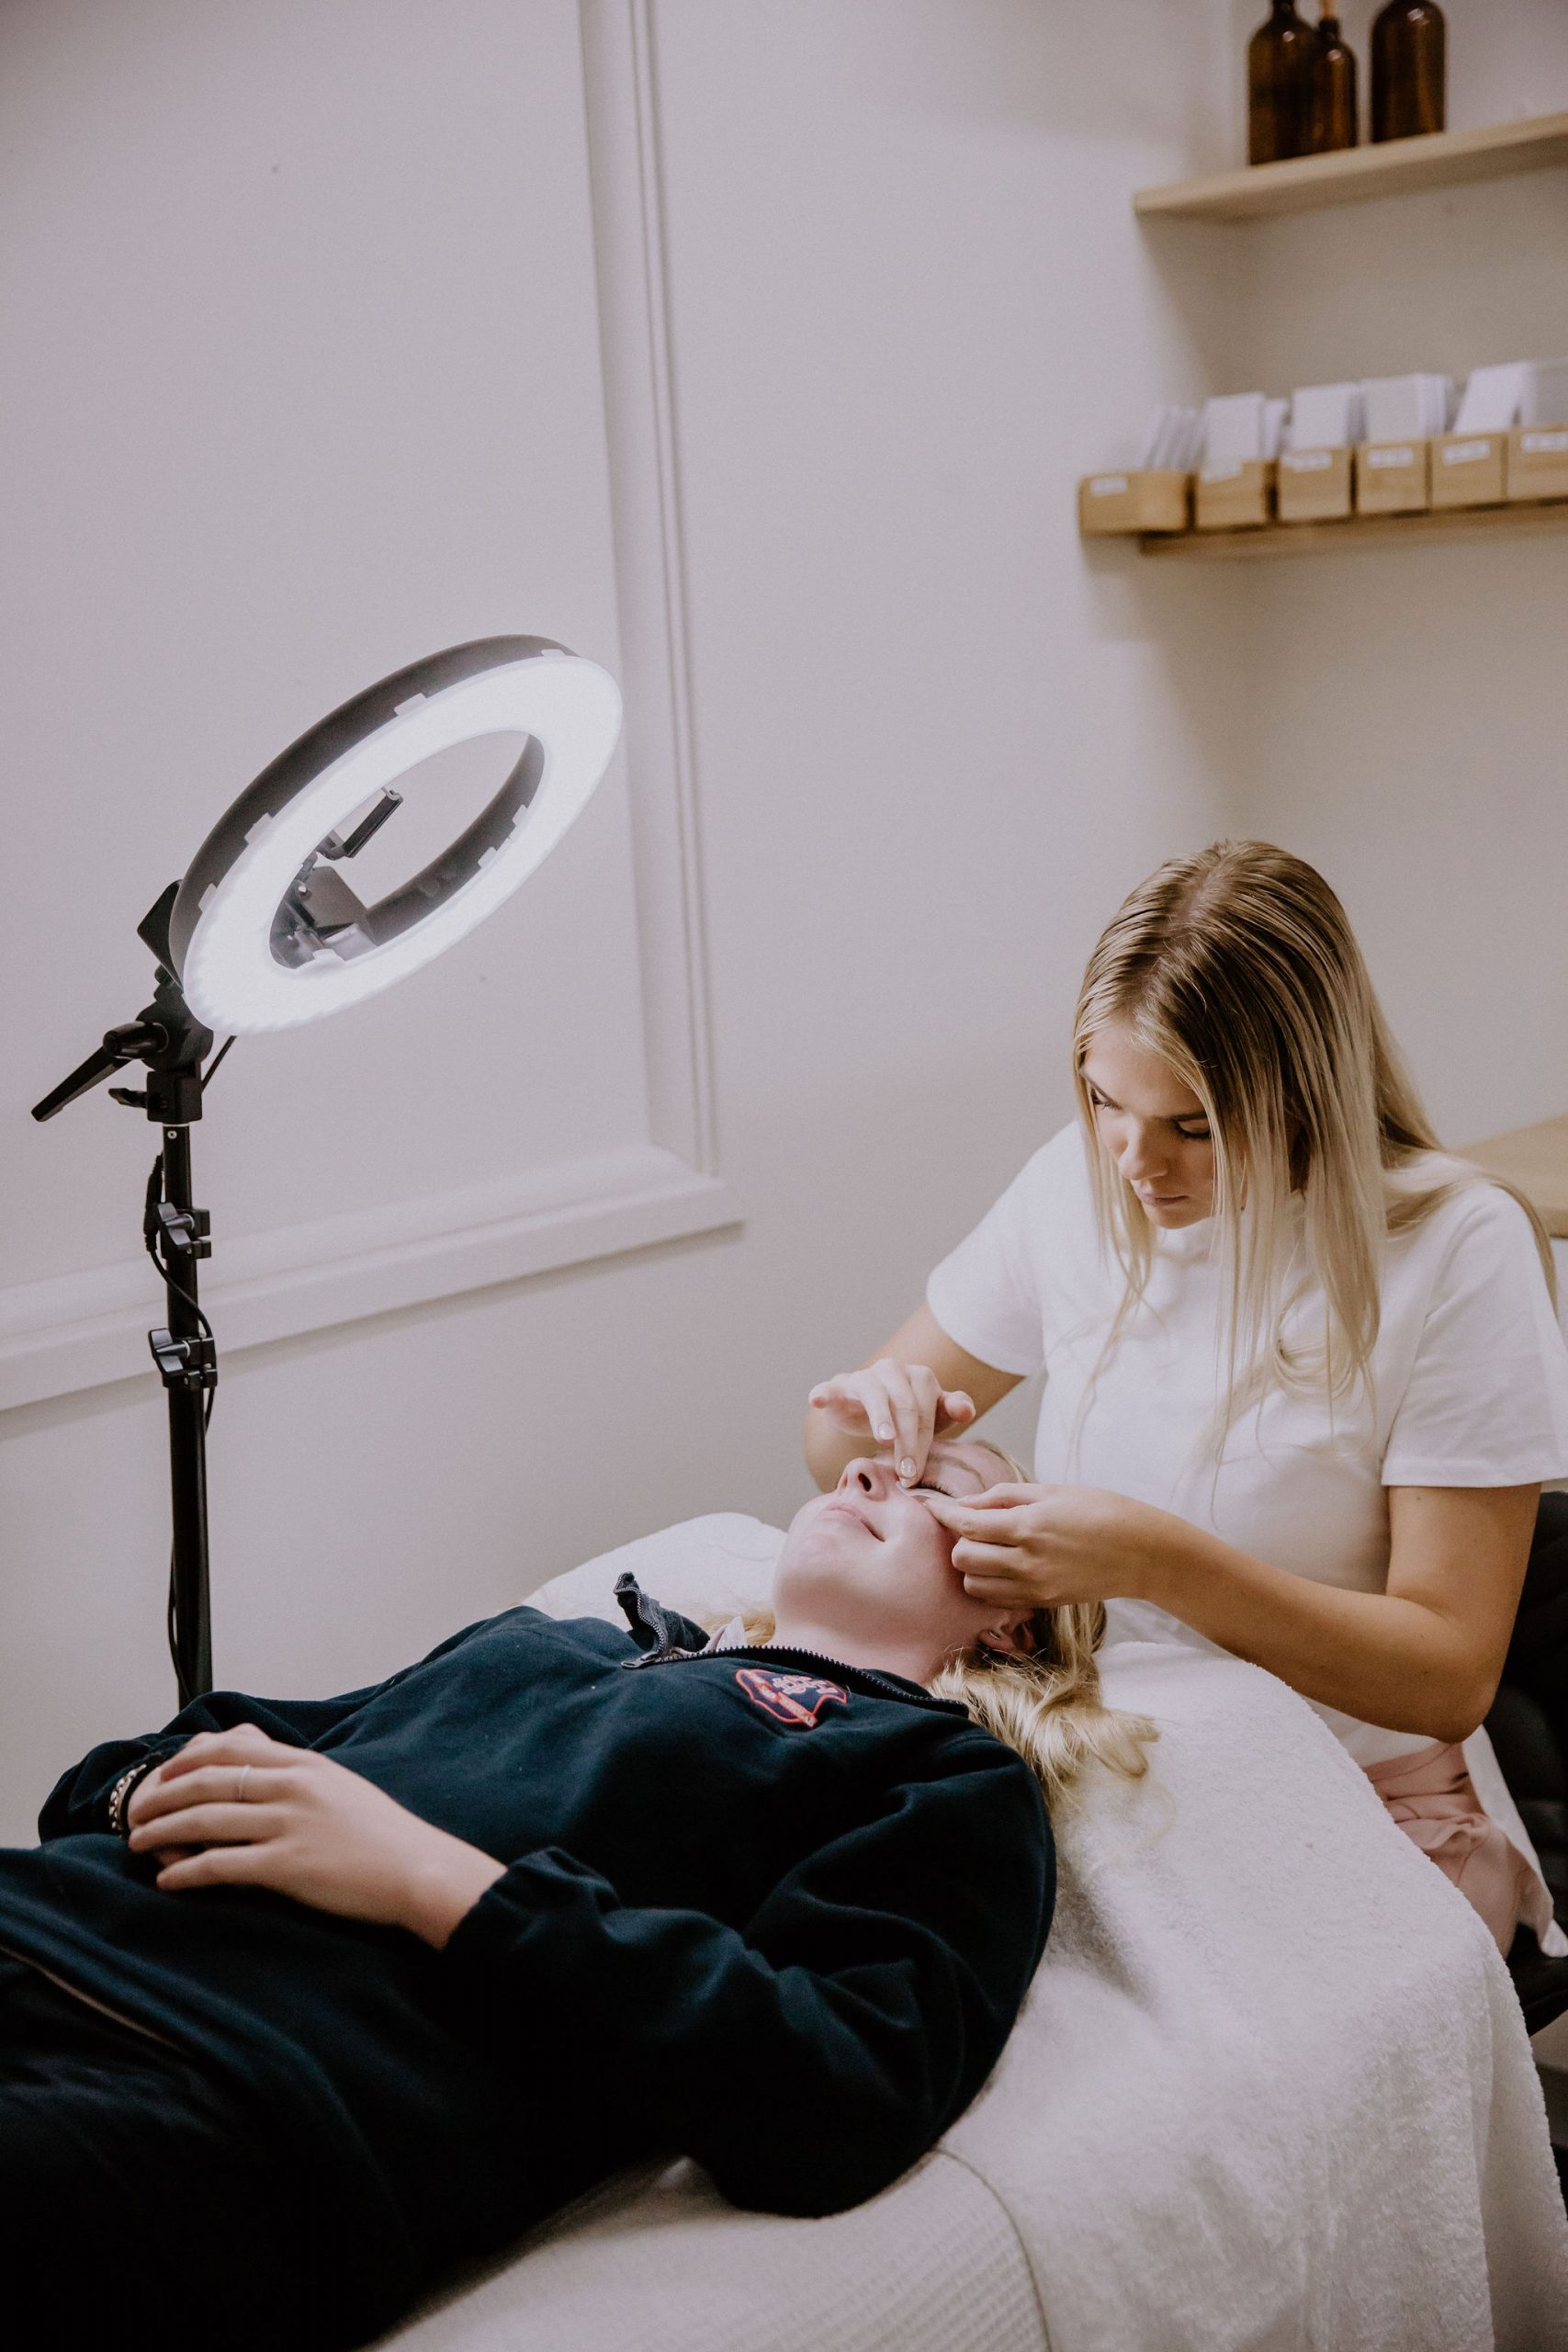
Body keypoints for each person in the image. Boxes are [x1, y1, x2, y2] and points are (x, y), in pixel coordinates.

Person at [0, 1435, 1148, 2351]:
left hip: (228, 2089)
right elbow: (181, 1752)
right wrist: (141, 1787)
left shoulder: (940, 1777)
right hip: (48, 1919)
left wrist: (436, 1881)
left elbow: (839, 2089)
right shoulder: (551, 1641)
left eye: (937, 1485)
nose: (866, 1473)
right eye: (871, 1461)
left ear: (1013, 1613)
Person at [806, 840, 1568, 1964]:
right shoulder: (1076, 1186)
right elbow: (831, 1447)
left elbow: (1446, 1676)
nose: (1135, 1160)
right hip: (1107, 1780)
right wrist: (878, 1413)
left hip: (1355, 1804)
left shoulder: (1453, 1248)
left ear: (1306, 1087)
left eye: (1194, 1124)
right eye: (1107, 1100)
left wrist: (1155, 1562)